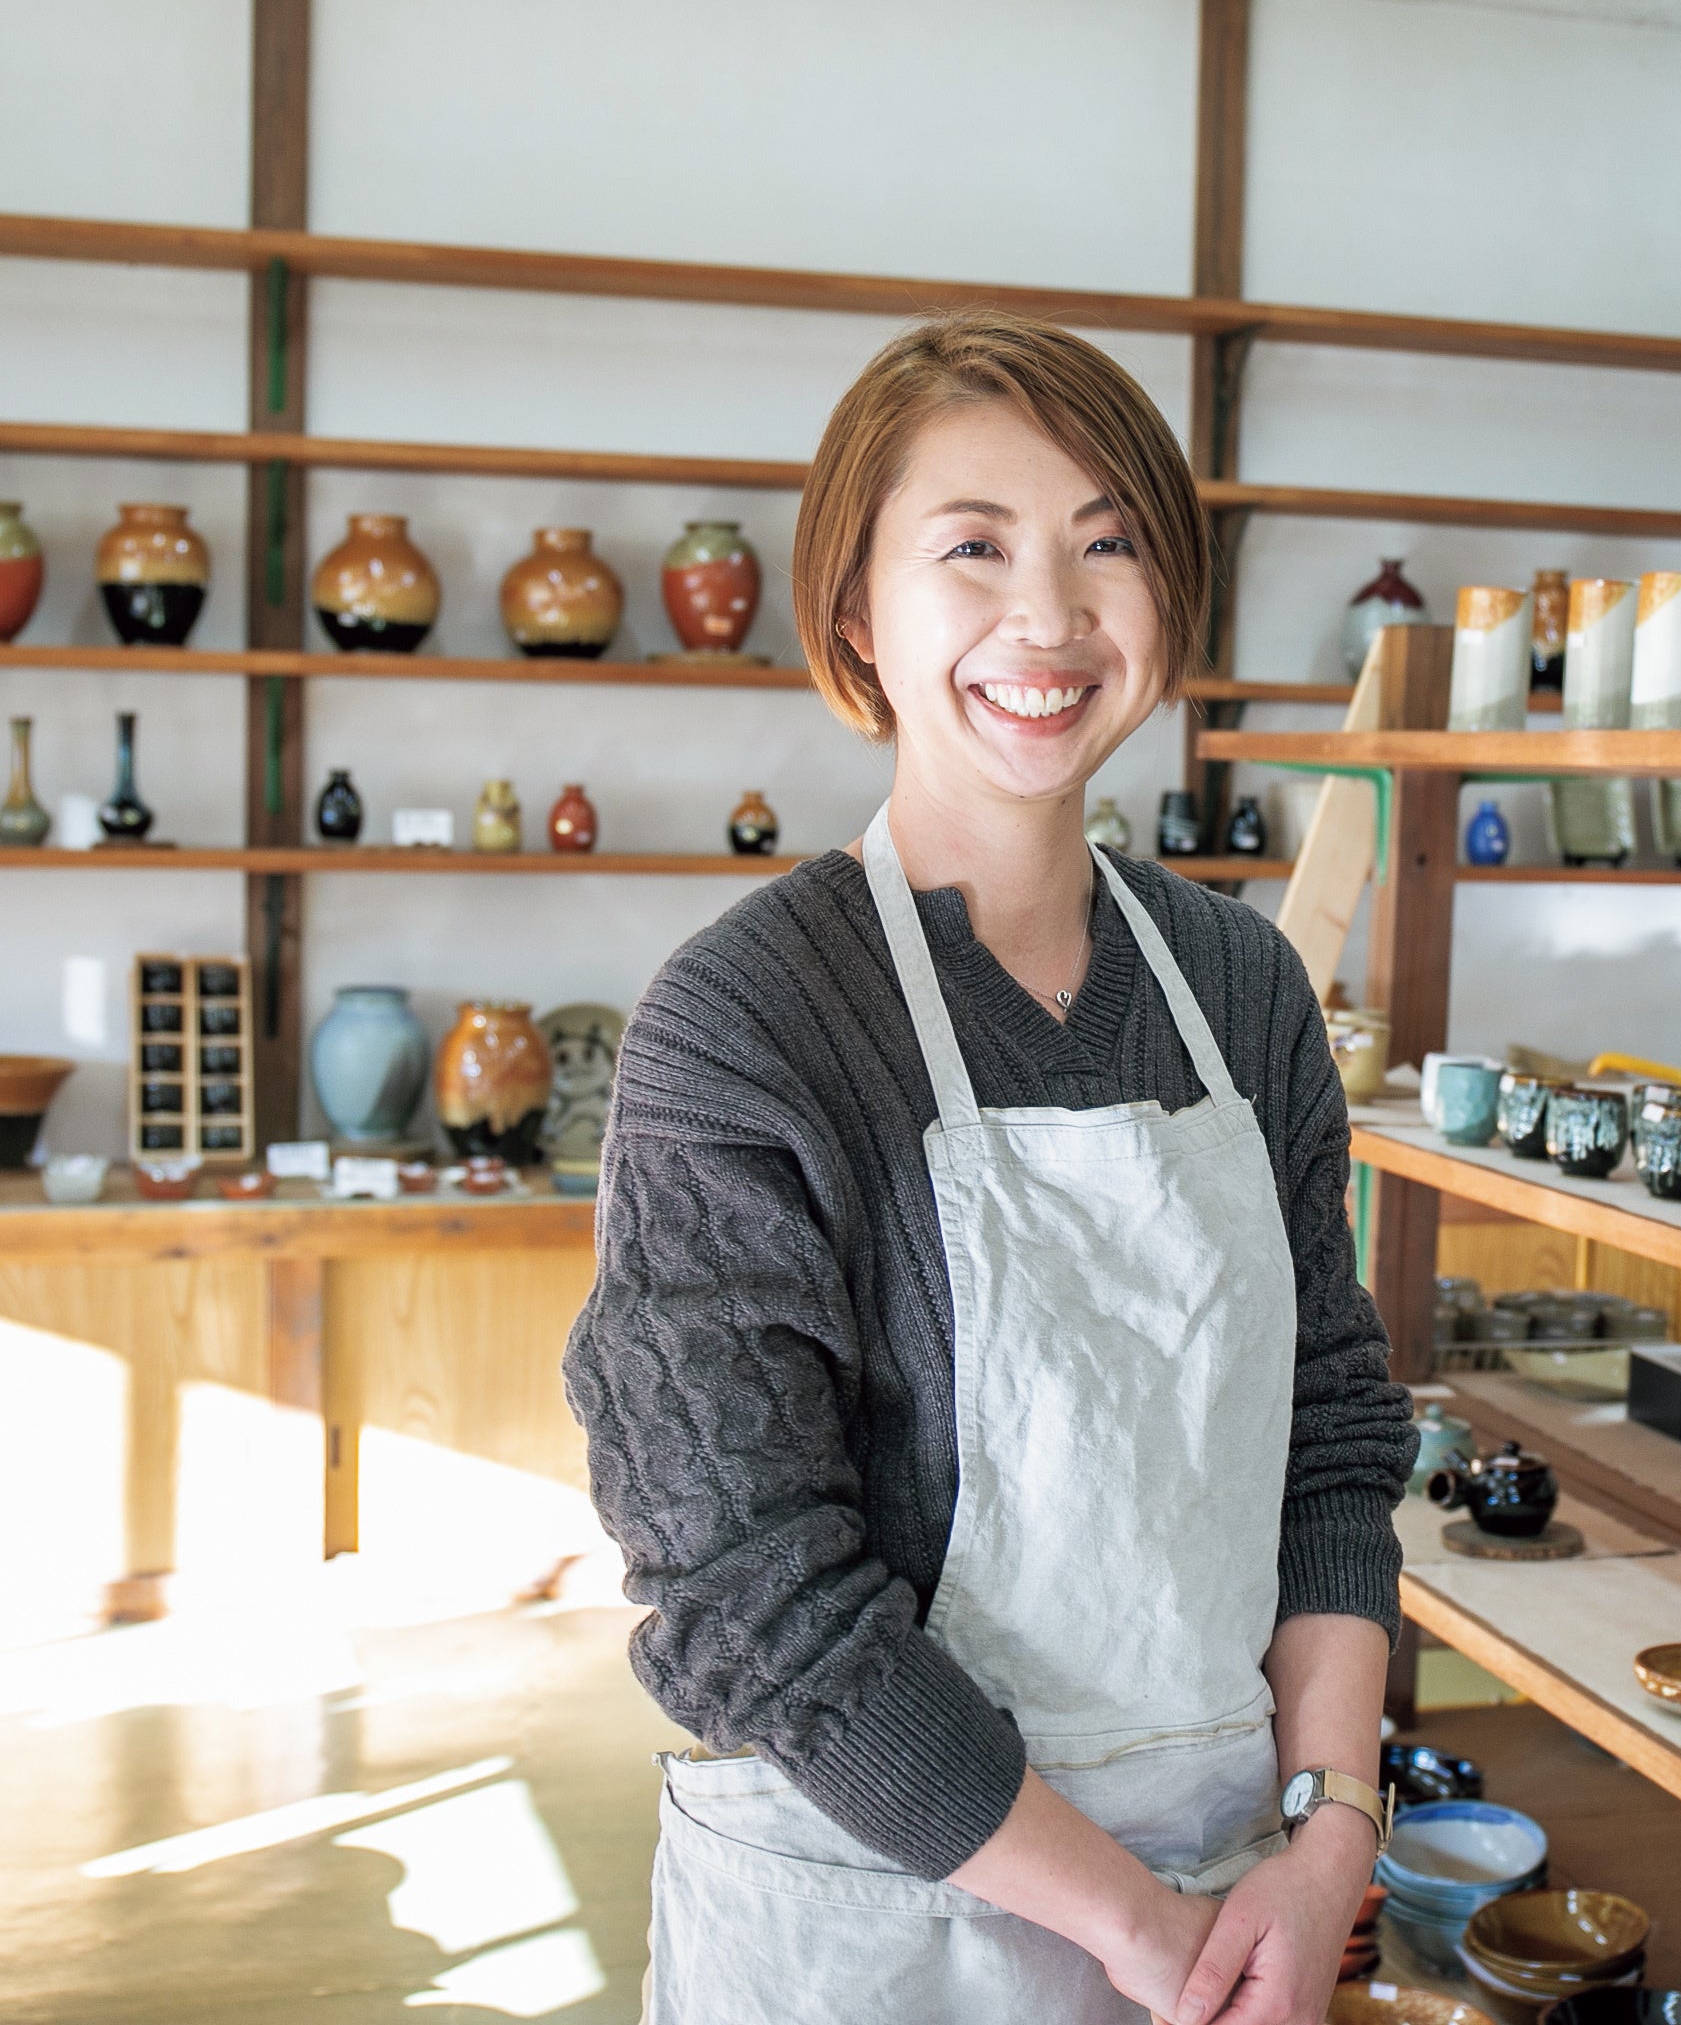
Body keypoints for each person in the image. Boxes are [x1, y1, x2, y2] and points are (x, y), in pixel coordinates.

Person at [568, 310, 1415, 2024]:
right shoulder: (748, 1020)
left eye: (1109, 544)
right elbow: (747, 1591)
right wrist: (1130, 1926)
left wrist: (1331, 1831)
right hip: (874, 1922)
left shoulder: (1241, 990)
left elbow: (1326, 1436)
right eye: (975, 548)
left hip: (1240, 1905)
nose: (1051, 616)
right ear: (858, 613)